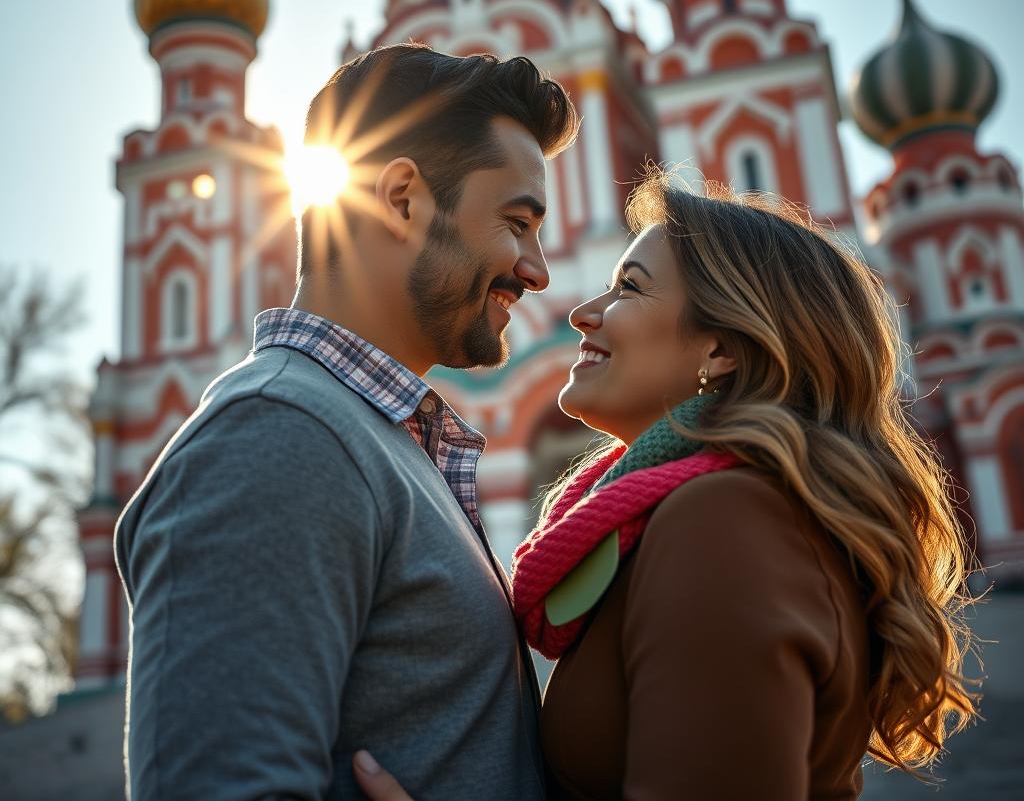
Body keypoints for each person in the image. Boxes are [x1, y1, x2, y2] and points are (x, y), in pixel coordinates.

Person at [354, 170, 976, 800]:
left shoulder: (725, 520)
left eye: (629, 288)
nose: (582, 312)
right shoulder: (698, 508)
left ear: (720, 349)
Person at [114, 43, 579, 799]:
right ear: (401, 199)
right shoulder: (278, 435)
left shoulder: (369, 435)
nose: (537, 268)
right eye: (517, 222)